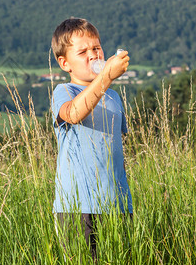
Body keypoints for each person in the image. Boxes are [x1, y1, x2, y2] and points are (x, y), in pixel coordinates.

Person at [50, 18, 133, 259]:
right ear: (65, 63)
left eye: (96, 48)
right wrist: (106, 76)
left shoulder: (114, 97)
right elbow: (74, 113)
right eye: (83, 51)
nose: (93, 55)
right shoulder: (64, 92)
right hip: (76, 208)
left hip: (117, 205)